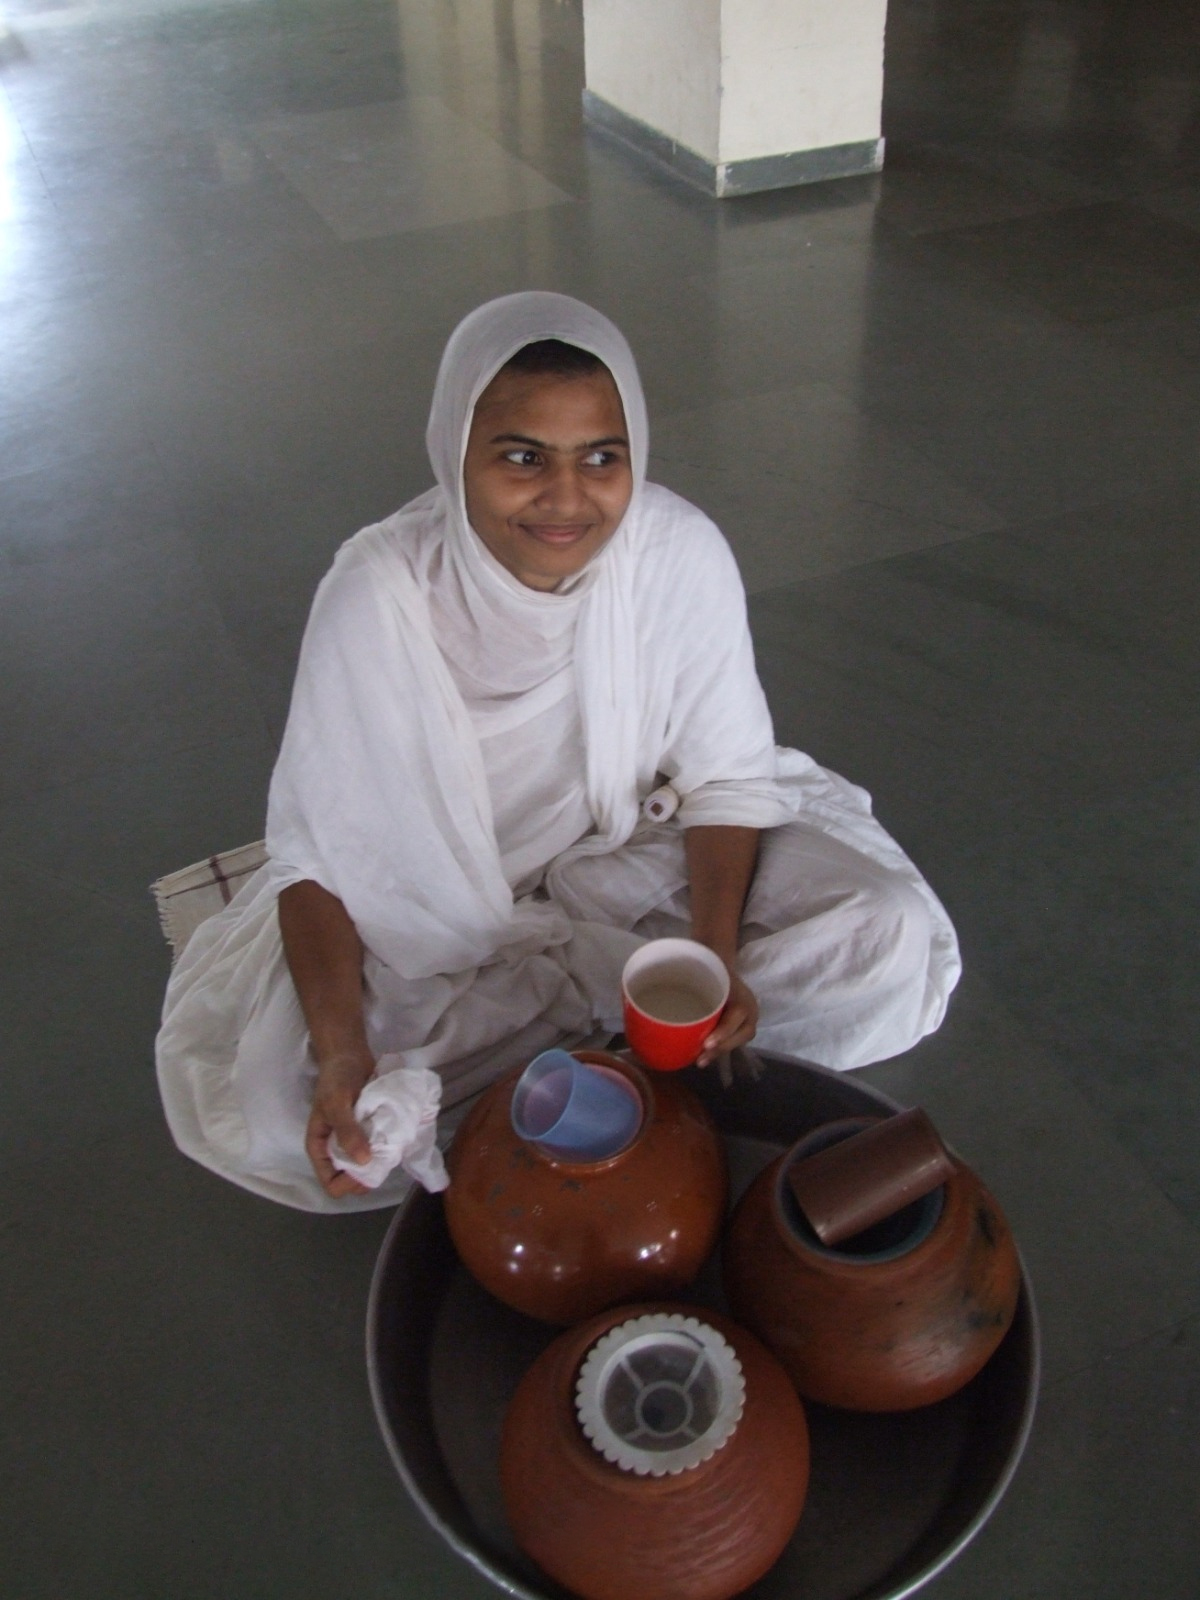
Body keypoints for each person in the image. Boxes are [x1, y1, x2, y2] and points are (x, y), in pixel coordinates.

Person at [156, 292, 960, 1213]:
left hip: (633, 847)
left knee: (885, 933)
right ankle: (623, 1055)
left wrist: (712, 961)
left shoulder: (677, 550)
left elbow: (727, 778)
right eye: (523, 457)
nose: (568, 498)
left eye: (602, 458)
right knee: (280, 1110)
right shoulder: (376, 595)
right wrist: (343, 1057)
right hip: (441, 913)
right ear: (454, 452)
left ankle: (578, 1060)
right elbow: (317, 859)